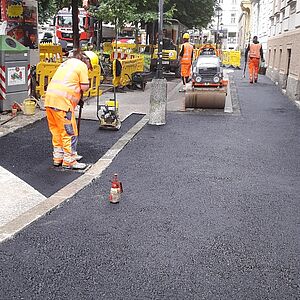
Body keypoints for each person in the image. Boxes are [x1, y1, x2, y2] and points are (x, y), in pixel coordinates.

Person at [44, 50, 92, 170]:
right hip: (63, 104)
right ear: (87, 61)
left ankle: (58, 157)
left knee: (56, 131)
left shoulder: (66, 63)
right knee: (70, 132)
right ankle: (69, 160)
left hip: (49, 101)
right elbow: (84, 87)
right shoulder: (82, 66)